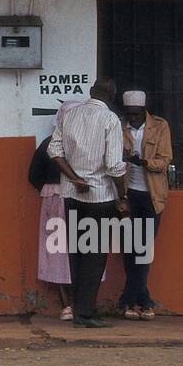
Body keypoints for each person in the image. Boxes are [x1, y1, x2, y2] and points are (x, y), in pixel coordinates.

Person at [47, 77, 127, 328]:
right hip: (100, 197)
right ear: (112, 96)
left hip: (71, 195)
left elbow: (54, 151)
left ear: (91, 91)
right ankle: (85, 313)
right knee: (95, 257)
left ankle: (80, 310)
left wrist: (73, 178)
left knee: (78, 254)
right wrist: (122, 197)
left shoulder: (69, 115)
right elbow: (115, 166)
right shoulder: (110, 120)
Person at [118, 90, 173, 320]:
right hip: (127, 196)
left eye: (136, 114)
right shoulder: (119, 127)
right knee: (129, 250)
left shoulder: (160, 126)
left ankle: (129, 300)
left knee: (143, 250)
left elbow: (165, 160)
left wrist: (142, 162)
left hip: (152, 196)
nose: (132, 118)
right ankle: (143, 301)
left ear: (144, 111)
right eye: (129, 114)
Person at [29, 100, 79, 319]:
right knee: (77, 251)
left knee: (59, 252)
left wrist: (50, 189)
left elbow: (33, 176)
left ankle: (67, 305)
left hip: (54, 203)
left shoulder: (48, 143)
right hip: (75, 201)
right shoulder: (82, 143)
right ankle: (77, 304)